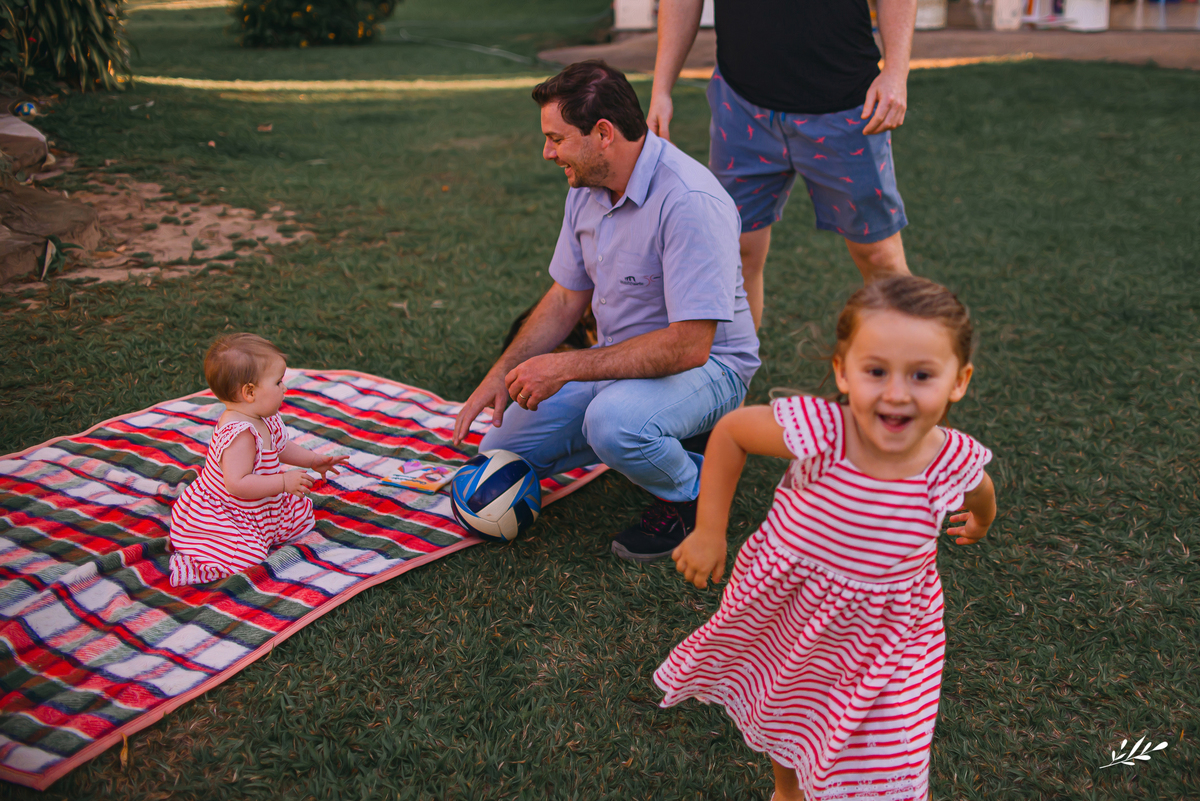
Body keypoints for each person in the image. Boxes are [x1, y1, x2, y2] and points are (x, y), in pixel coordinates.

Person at [654, 276, 996, 801]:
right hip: (793, 605)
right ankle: (787, 790)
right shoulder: (823, 433)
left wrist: (981, 521)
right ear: (843, 370)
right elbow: (732, 432)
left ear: (959, 380)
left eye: (922, 374)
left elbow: (980, 489)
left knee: (892, 756)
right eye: (876, 371)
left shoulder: (951, 459)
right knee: (788, 706)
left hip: (892, 635)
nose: (897, 393)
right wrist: (709, 530)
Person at [451, 61, 760, 563]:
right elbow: (565, 297)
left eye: (556, 138)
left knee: (614, 424)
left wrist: (566, 366)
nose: (547, 152)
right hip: (617, 361)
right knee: (501, 447)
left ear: (602, 134)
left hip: (711, 369)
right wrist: (500, 372)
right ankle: (659, 436)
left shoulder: (690, 201)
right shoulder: (586, 186)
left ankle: (695, 492)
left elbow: (690, 345)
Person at [648, 0, 917, 329]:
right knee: (735, 252)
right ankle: (734, 377)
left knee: (879, 256)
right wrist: (661, 87)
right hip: (741, 102)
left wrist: (896, 70)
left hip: (846, 104)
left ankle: (913, 373)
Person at [168, 334, 347, 585]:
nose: (284, 387)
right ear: (249, 392)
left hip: (258, 504)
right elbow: (237, 484)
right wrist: (283, 482)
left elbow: (280, 446)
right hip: (229, 512)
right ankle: (195, 559)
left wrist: (313, 460)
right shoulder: (240, 434)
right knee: (247, 557)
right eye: (277, 382)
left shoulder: (264, 417)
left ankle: (266, 525)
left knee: (302, 518)